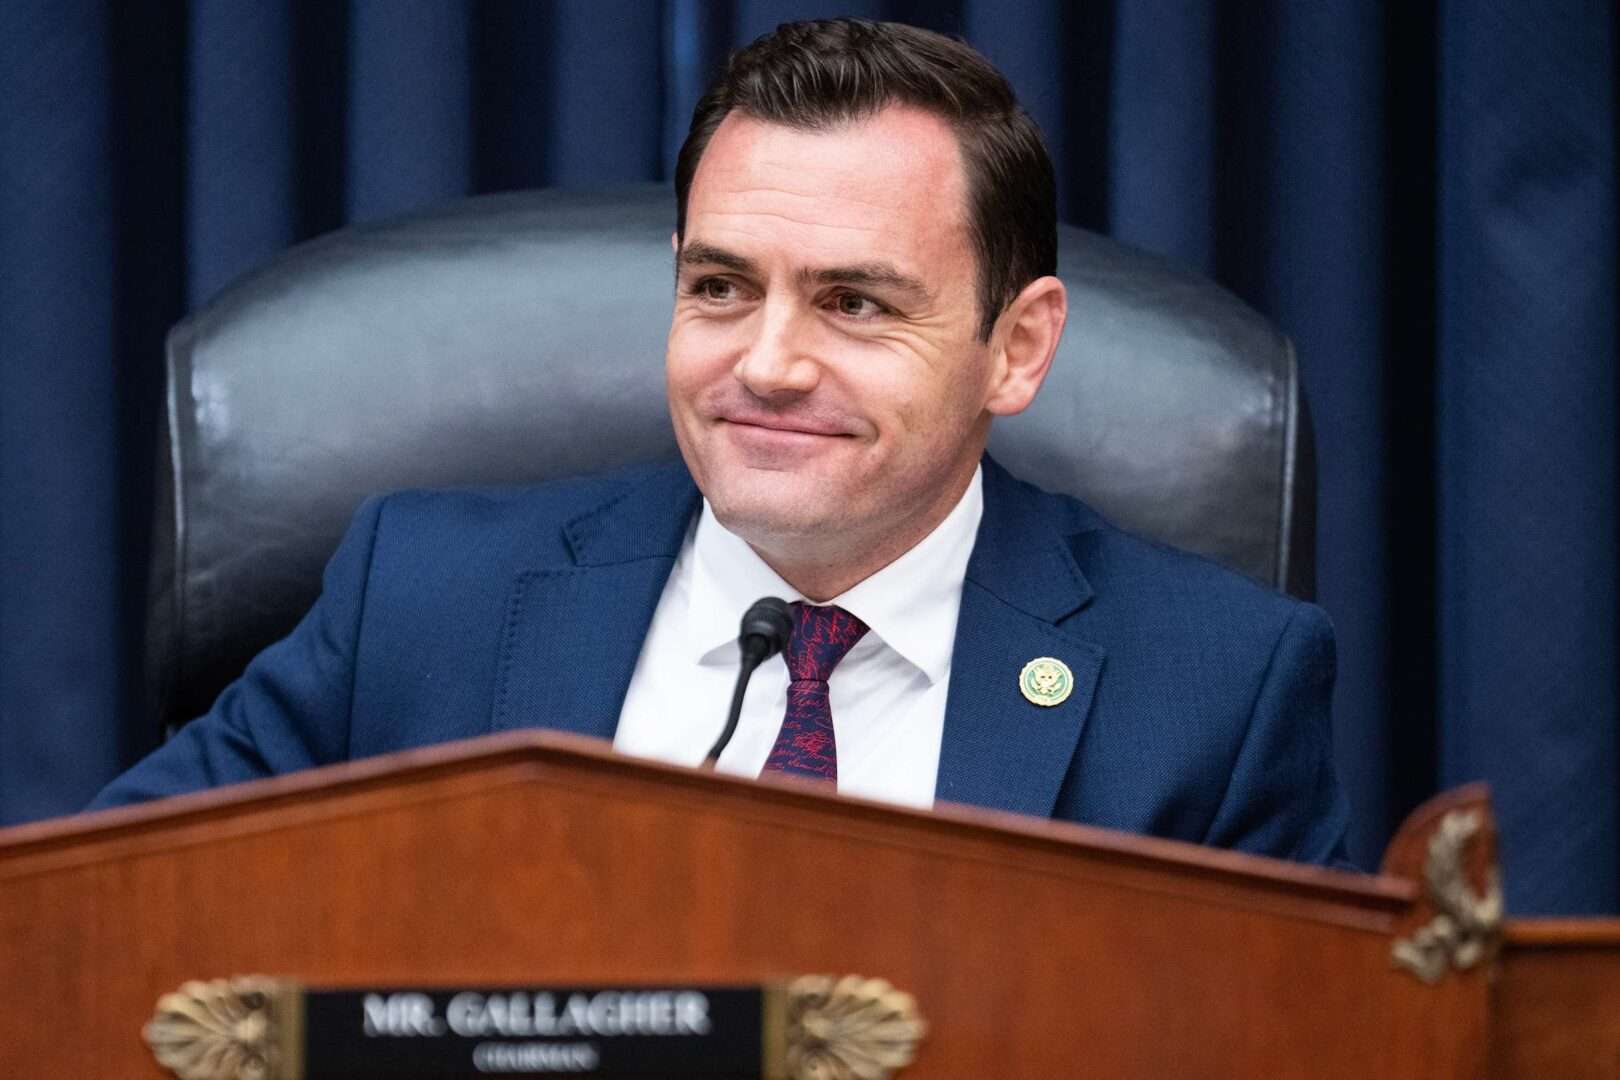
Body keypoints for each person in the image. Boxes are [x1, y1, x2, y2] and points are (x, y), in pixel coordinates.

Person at [90, 19, 1350, 867]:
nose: (766, 363)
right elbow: (101, 918)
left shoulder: (1218, 690)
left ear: (1016, 348)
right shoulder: (420, 601)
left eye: (854, 302)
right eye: (720, 288)